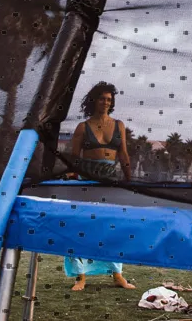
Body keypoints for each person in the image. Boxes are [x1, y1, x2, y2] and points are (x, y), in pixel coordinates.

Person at [65, 82, 135, 290]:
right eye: (102, 98)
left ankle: (117, 274)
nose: (106, 102)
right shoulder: (82, 127)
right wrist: (71, 178)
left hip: (110, 179)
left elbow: (123, 153)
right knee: (81, 227)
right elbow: (74, 158)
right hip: (86, 179)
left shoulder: (119, 125)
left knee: (111, 225)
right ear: (94, 100)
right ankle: (81, 277)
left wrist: (129, 179)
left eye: (109, 99)